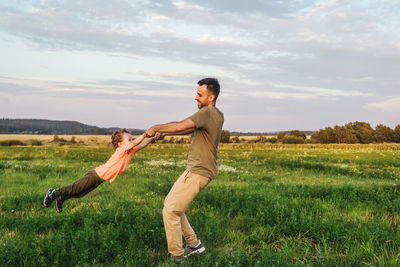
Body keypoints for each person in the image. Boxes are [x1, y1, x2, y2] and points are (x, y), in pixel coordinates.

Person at [145, 78, 224, 264]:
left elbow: (181, 125)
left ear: (211, 97)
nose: (195, 97)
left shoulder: (207, 112)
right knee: (171, 205)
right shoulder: (216, 114)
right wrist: (166, 133)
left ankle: (177, 257)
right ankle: (194, 244)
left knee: (171, 211)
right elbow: (186, 129)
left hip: (199, 171)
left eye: (200, 94)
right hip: (198, 170)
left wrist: (155, 127)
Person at [43, 129, 154, 212]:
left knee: (80, 193)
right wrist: (144, 134)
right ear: (120, 144)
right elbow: (135, 143)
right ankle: (53, 193)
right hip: (95, 175)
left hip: (99, 179)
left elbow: (141, 145)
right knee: (75, 188)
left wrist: (153, 138)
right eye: (129, 139)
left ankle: (62, 197)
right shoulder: (121, 150)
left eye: (132, 139)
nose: (132, 141)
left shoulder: (129, 151)